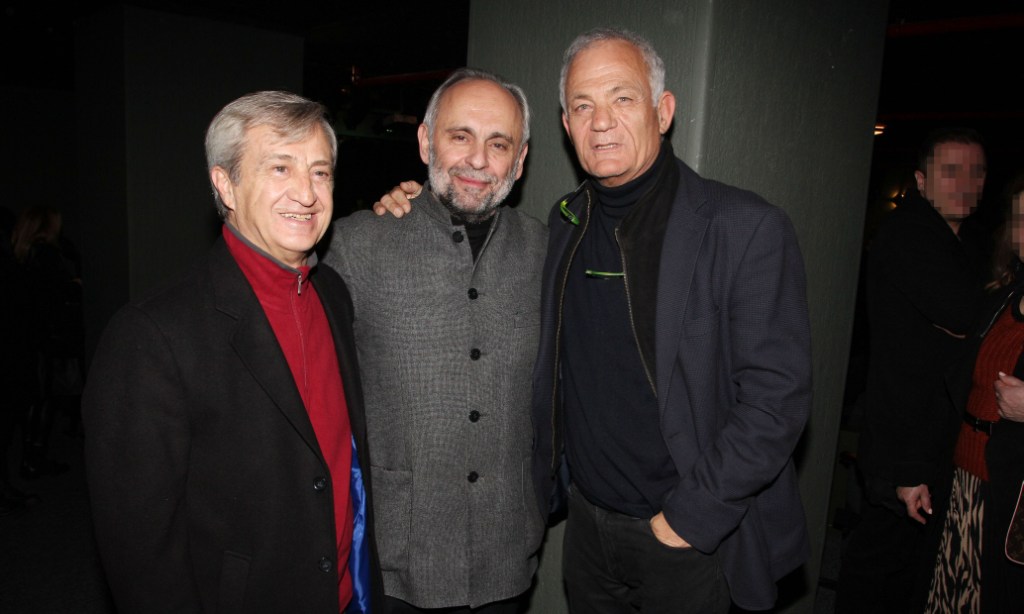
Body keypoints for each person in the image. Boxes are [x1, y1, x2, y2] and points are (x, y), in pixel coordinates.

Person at [376, 27, 812, 614]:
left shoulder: (743, 228)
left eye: (622, 98)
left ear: (664, 111)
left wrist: (687, 520)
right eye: (583, 106)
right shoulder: (563, 226)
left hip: (690, 537)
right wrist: (411, 205)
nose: (601, 121)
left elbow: (777, 400)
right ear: (566, 124)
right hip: (587, 528)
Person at [82, 91, 382, 613]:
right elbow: (141, 555)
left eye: (320, 172)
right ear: (225, 184)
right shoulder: (151, 336)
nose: (306, 193)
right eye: (280, 168)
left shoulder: (332, 294)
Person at [323, 68, 547, 613]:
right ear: (425, 141)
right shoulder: (355, 245)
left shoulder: (547, 251)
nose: (478, 160)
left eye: (499, 144)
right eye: (460, 136)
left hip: (507, 554)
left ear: (520, 161)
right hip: (398, 560)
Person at [837, 127, 990, 613]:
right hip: (905, 445)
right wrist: (976, 326)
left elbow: (973, 325)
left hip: (933, 440)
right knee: (880, 569)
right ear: (921, 181)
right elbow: (972, 317)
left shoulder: (963, 243)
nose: (965, 182)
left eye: (976, 172)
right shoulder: (909, 235)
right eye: (951, 171)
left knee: (908, 571)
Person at [926, 170, 1024, 613]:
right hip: (965, 476)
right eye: (1020, 219)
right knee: (949, 598)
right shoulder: (1003, 296)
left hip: (1013, 493)